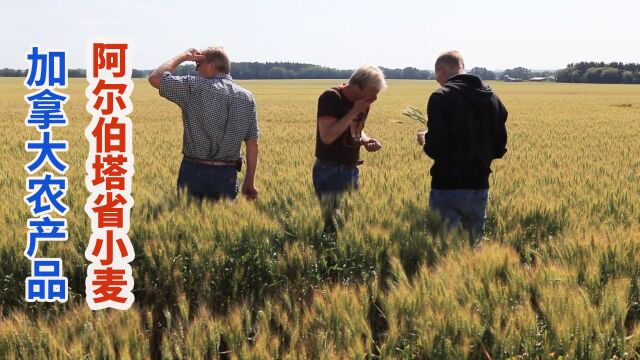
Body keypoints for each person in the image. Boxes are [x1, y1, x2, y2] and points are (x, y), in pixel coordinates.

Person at [416, 50, 508, 245]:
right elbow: (500, 148)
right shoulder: (493, 99)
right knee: (472, 248)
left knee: (446, 249)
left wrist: (425, 139)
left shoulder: (441, 96)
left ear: (441, 70)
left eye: (436, 76)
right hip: (480, 187)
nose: (437, 81)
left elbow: (436, 149)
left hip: (447, 187)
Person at [148, 46, 259, 201]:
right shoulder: (247, 97)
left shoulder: (195, 87)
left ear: (211, 65)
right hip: (228, 175)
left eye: (198, 65)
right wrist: (249, 181)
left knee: (186, 221)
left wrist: (184, 56)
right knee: (221, 223)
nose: (196, 71)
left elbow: (155, 78)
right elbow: (252, 143)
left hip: (194, 172)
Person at [313, 65, 386, 236]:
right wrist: (355, 110)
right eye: (372, 92)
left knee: (347, 224)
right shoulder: (331, 97)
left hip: (351, 169)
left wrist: (366, 140)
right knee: (332, 227)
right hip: (330, 170)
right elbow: (328, 136)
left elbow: (354, 128)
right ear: (358, 86)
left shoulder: (362, 103)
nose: (375, 98)